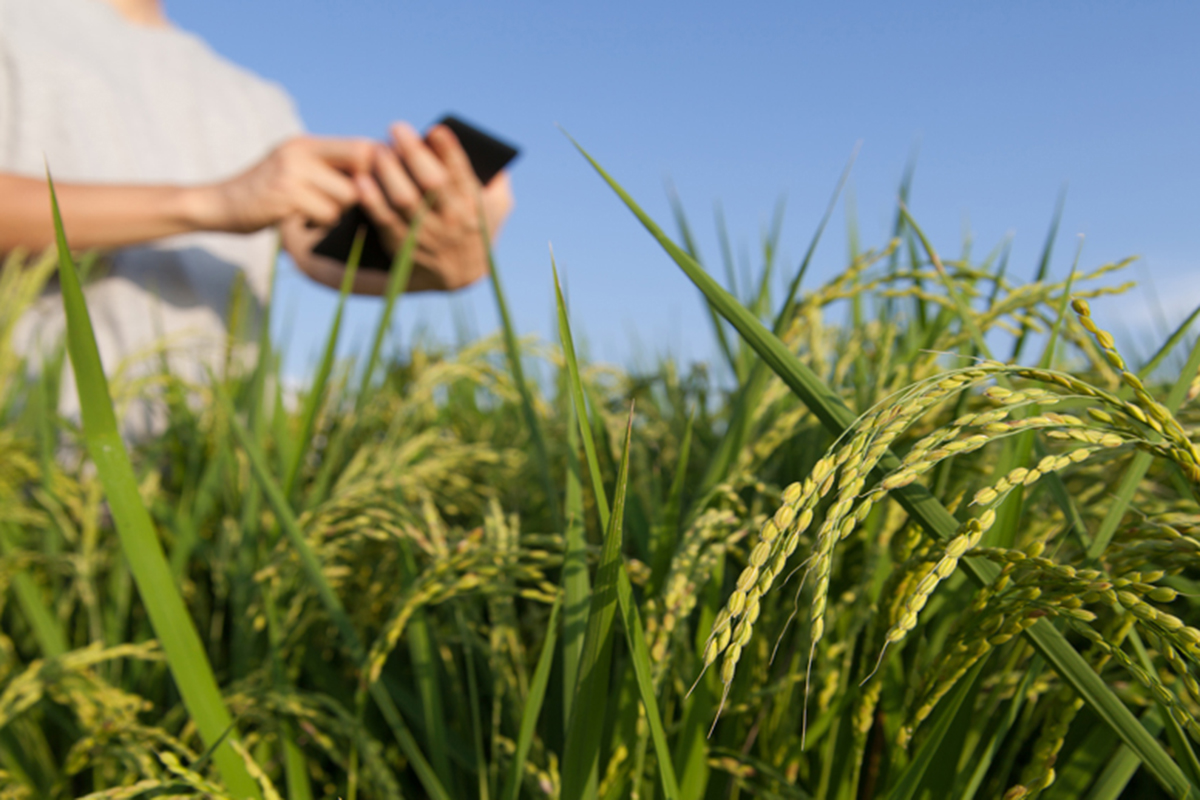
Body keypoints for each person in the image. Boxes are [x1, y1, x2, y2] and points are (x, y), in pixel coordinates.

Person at [0, 0, 512, 431]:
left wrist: (436, 259)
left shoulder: (252, 97)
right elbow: (233, 203)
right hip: (37, 446)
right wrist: (211, 203)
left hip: (214, 469)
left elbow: (315, 253)